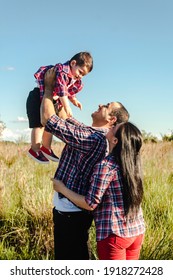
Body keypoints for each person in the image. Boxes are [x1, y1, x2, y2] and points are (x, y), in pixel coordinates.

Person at [40, 68, 130, 260]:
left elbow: (48, 120)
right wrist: (62, 91)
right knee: (76, 253)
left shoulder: (94, 138)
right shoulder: (93, 134)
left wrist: (48, 88)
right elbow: (68, 120)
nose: (100, 104)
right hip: (72, 210)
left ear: (111, 120)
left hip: (71, 211)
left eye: (106, 105)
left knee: (70, 259)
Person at [53, 122, 145, 260]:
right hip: (137, 231)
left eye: (114, 128)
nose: (110, 127)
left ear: (115, 140)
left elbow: (90, 203)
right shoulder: (133, 165)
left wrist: (62, 189)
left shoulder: (107, 166)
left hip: (115, 235)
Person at [26, 51, 93, 164]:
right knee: (38, 125)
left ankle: (46, 148)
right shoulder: (62, 71)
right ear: (73, 63)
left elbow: (67, 91)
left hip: (52, 100)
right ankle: (35, 149)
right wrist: (67, 107)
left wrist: (74, 100)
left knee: (50, 125)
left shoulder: (73, 79)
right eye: (80, 72)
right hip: (38, 97)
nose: (80, 76)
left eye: (83, 75)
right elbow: (62, 90)